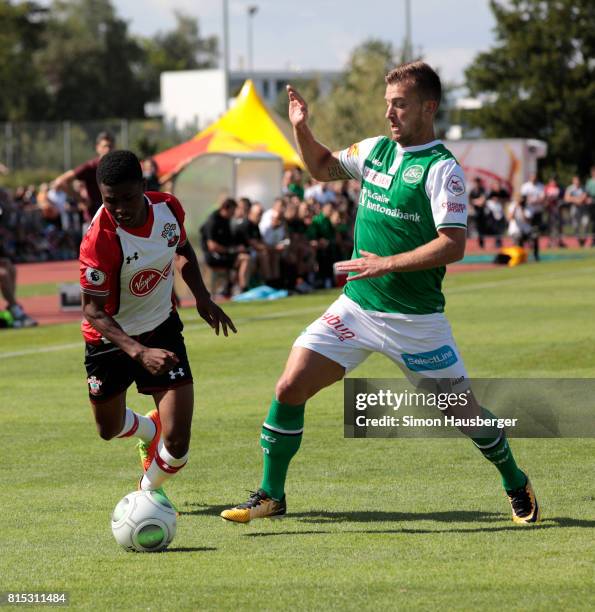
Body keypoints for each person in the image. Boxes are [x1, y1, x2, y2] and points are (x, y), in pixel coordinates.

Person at [221, 61, 539, 526]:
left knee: (464, 415)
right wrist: (301, 129)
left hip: (416, 322)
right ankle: (272, 494)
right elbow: (321, 168)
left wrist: (383, 263)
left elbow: (454, 244)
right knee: (289, 387)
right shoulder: (375, 151)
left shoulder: (442, 169)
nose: (390, 114)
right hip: (356, 308)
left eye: (400, 104)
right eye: (387, 104)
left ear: (428, 107)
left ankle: (514, 480)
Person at [79, 150, 236, 506]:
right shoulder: (99, 239)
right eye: (109, 200)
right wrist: (137, 352)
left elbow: (181, 249)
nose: (119, 208)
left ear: (144, 188)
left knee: (178, 444)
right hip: (110, 340)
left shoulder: (168, 208)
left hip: (161, 329)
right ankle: (148, 429)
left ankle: (146, 495)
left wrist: (202, 296)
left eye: (127, 198)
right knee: (109, 429)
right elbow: (92, 309)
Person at [53, 131, 116, 220]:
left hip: (114, 219)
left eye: (110, 146)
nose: (108, 149)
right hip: (94, 220)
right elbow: (60, 182)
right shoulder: (91, 167)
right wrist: (81, 199)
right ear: (98, 148)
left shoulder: (117, 166)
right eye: (105, 146)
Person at [200, 197, 251, 294]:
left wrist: (238, 248)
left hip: (223, 254)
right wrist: (232, 250)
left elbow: (229, 241)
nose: (234, 213)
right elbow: (212, 246)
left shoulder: (227, 220)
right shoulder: (213, 220)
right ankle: (243, 289)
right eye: (233, 210)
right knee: (245, 259)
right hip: (213, 256)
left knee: (245, 257)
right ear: (226, 209)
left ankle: (229, 287)